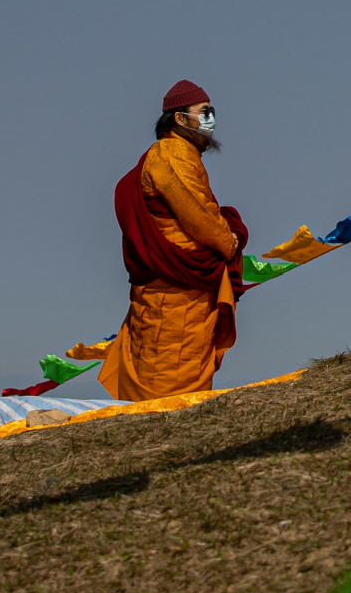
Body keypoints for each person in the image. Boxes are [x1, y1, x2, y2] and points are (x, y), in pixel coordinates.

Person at [95, 80, 251, 401]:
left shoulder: (184, 154)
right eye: (204, 112)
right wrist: (229, 241)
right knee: (168, 361)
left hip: (185, 284)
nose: (210, 119)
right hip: (174, 284)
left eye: (212, 112)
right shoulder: (171, 153)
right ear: (180, 119)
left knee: (186, 357)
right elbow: (198, 215)